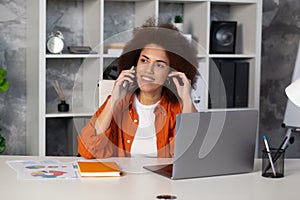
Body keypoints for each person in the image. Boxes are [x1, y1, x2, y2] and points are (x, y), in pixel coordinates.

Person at [78, 18, 199, 159]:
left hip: (163, 181)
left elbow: (190, 157)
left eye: (159, 65)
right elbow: (86, 150)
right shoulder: (119, 102)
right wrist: (114, 100)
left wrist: (187, 99)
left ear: (170, 73)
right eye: (144, 60)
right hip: (123, 179)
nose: (148, 69)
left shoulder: (179, 108)